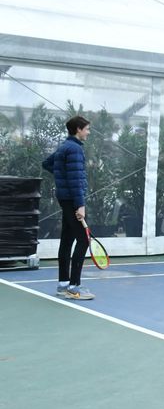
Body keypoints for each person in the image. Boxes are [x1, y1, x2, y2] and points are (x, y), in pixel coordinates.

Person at [41, 115, 94, 301]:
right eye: (87, 129)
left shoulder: (65, 146)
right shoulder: (74, 149)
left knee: (67, 240)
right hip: (72, 200)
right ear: (78, 129)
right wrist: (80, 205)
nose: (88, 132)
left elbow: (47, 163)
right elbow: (75, 180)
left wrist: (61, 176)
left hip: (65, 199)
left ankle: (63, 284)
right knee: (83, 240)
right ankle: (74, 287)